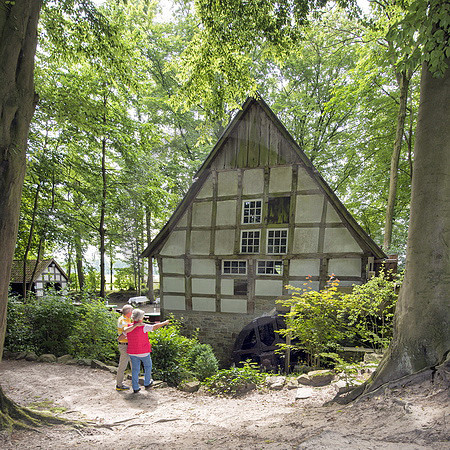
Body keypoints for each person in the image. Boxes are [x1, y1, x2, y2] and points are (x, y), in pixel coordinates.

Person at [123, 309, 169, 393]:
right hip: (143, 351)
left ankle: (135, 387)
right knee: (148, 366)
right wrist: (164, 323)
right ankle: (147, 382)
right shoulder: (144, 326)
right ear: (141, 318)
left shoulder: (128, 327)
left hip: (132, 351)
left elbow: (124, 334)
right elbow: (155, 327)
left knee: (135, 370)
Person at [116, 304, 133, 391]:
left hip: (128, 344)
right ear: (129, 312)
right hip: (124, 345)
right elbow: (127, 331)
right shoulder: (123, 321)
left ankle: (135, 382)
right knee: (123, 365)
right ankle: (119, 385)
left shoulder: (126, 318)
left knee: (133, 363)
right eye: (132, 311)